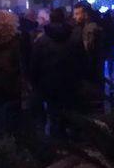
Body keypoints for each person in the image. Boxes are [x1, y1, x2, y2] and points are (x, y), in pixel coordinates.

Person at [30, 8, 84, 136]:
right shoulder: (74, 39)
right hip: (70, 83)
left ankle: (56, 140)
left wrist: (36, 84)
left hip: (48, 84)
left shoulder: (41, 41)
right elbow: (83, 61)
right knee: (69, 112)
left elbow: (34, 65)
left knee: (53, 113)